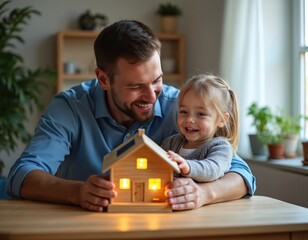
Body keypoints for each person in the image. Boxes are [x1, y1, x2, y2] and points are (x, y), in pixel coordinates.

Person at [6, 20, 256, 212]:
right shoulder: (70, 108)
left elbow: (242, 175)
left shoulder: (181, 107)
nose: (151, 95)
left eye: (157, 80)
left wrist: (204, 194)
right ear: (103, 79)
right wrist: (77, 192)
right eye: (136, 86)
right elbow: (22, 174)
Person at [161, 74, 238, 183]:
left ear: (222, 119)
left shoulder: (221, 147)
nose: (190, 119)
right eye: (184, 112)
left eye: (201, 114)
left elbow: (213, 168)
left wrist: (188, 166)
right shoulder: (170, 143)